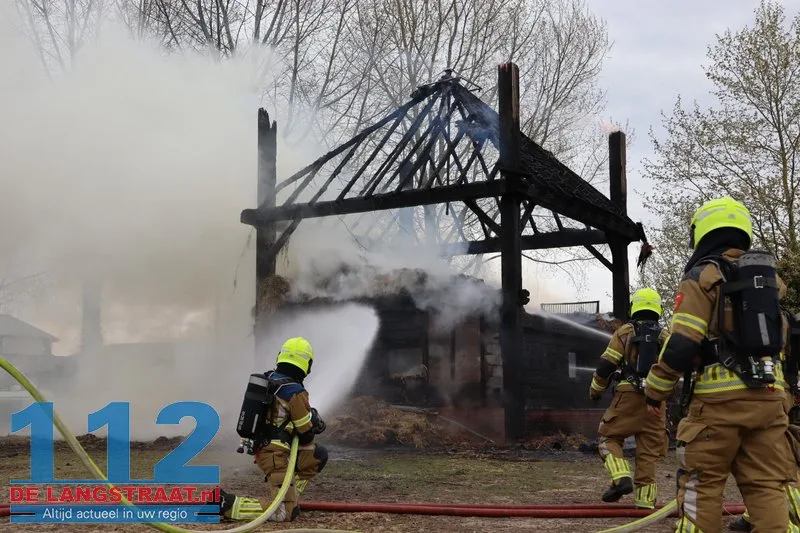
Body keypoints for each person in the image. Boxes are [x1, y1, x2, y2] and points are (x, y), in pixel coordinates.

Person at [644, 196, 798, 533]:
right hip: (771, 403)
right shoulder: (770, 284)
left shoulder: (703, 276)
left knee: (702, 487)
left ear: (702, 233)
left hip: (717, 409)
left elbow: (682, 342)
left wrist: (655, 390)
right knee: (767, 487)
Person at [216, 337, 328, 522]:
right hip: (276, 455)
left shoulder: (269, 380)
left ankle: (290, 496)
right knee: (285, 513)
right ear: (306, 364)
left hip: (270, 449)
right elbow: (305, 434)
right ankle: (226, 504)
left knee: (317, 455)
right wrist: (315, 421)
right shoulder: (294, 391)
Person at [589, 287, 669, 509]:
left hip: (628, 397)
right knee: (648, 454)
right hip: (656, 403)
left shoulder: (625, 332)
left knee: (608, 438)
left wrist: (595, 390)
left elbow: (606, 365)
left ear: (636, 307)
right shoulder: (665, 336)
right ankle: (644, 503)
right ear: (658, 309)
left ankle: (621, 477)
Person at [729, 310, 800, 531]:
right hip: (780, 391)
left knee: (773, 461)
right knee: (761, 457)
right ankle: (756, 514)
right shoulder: (782, 316)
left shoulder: (738, 307)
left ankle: (789, 517)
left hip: (752, 392)